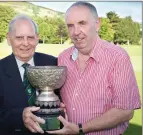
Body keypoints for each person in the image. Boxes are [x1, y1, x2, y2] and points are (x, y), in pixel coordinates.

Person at [47, 1, 141, 135]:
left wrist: (80, 129)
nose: (76, 32)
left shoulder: (117, 57)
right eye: (70, 26)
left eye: (82, 23)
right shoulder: (63, 57)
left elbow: (125, 111)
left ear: (97, 24)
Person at [0, 14, 58, 135]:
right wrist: (19, 116)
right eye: (19, 37)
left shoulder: (53, 63)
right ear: (8, 38)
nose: (25, 43)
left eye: (30, 37)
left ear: (37, 38)